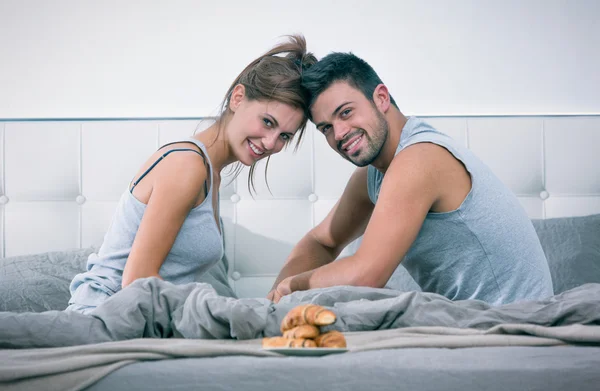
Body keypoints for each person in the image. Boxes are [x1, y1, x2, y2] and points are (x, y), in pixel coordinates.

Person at [268, 52, 553, 305]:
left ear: (381, 98)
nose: (339, 133)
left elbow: (366, 275)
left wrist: (292, 285)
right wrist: (273, 301)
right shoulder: (375, 175)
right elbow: (322, 242)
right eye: (326, 128)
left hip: (515, 325)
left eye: (346, 112)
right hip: (470, 322)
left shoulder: (420, 158)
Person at [67, 35, 317, 314]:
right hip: (103, 315)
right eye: (267, 122)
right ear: (238, 98)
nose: (271, 143)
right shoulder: (188, 165)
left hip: (141, 316)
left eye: (283, 135)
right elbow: (137, 280)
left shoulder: (210, 173)